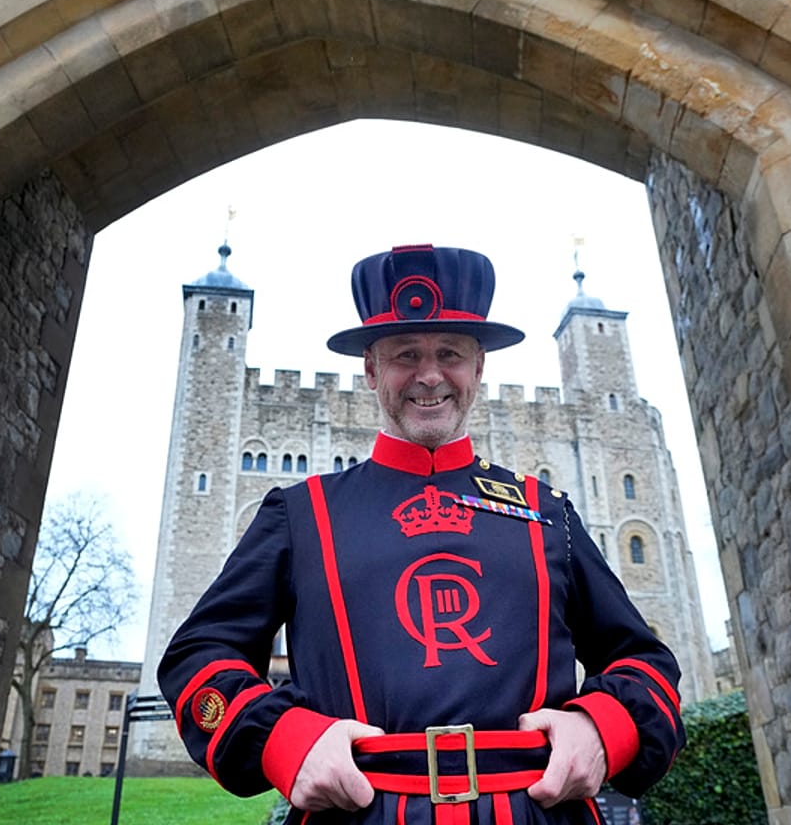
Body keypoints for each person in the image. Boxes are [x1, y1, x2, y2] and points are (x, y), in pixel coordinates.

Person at [159, 244, 685, 824]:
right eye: (406, 354)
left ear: (478, 367)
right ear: (371, 370)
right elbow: (199, 656)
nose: (430, 375)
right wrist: (285, 739)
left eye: (450, 353)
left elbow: (644, 660)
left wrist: (600, 726)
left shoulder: (548, 514)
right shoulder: (301, 513)